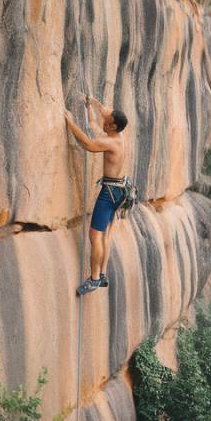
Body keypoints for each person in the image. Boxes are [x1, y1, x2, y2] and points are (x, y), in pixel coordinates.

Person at [65, 96, 129, 295]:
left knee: (95, 235)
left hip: (109, 194)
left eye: (107, 119)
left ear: (112, 126)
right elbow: (100, 116)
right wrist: (90, 104)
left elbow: (88, 144)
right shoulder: (117, 136)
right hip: (117, 190)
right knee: (105, 235)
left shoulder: (112, 144)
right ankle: (101, 274)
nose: (103, 118)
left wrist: (70, 122)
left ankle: (94, 279)